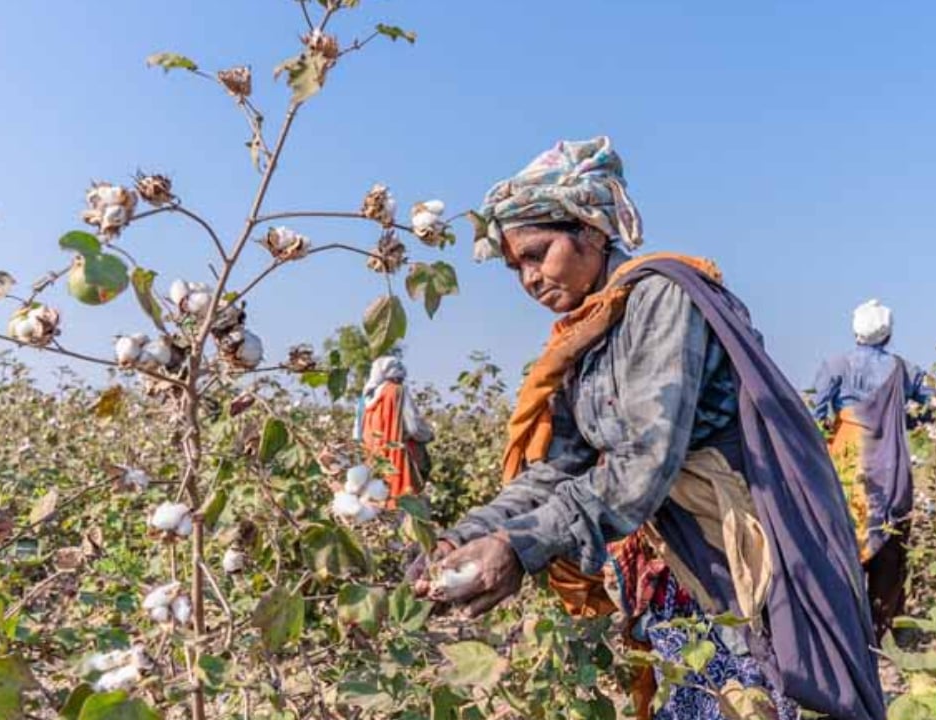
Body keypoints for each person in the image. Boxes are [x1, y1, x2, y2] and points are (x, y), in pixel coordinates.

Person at [409, 137, 885, 720]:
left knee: (755, 695)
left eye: (537, 254)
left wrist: (520, 545)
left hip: (737, 558)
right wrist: (469, 533)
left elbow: (644, 461)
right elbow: (558, 467)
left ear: (589, 230)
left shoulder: (661, 299)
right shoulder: (585, 339)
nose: (529, 279)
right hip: (673, 564)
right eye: (516, 268)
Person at [808, 299, 931, 640]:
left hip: (847, 459)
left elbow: (816, 418)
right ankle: (879, 632)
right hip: (890, 463)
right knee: (890, 544)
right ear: (888, 332)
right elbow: (932, 405)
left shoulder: (835, 365)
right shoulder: (904, 369)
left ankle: (840, 627)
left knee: (841, 536)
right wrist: (900, 419)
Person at [354, 356, 434, 507]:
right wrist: (428, 435)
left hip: (370, 460)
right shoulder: (397, 391)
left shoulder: (363, 399)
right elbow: (414, 427)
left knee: (373, 502)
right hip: (396, 460)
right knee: (405, 503)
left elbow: (356, 434)